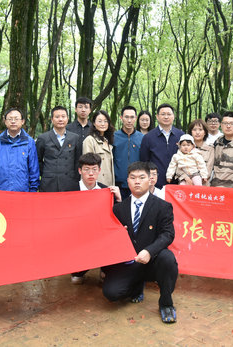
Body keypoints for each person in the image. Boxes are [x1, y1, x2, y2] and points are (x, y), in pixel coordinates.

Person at [102, 162, 178, 324]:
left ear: (150, 180)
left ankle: (166, 303)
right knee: (111, 293)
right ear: (127, 181)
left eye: (142, 177)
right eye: (133, 177)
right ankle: (136, 286)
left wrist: (150, 251)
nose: (137, 181)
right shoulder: (118, 209)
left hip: (152, 261)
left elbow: (168, 234)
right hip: (129, 263)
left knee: (168, 258)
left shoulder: (163, 206)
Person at [70, 153, 122, 284]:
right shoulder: (70, 190)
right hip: (78, 235)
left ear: (99, 170)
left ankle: (105, 268)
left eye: (94, 169)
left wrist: (119, 199)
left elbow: (118, 217)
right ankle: (78, 270)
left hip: (100, 234)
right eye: (86, 169)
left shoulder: (106, 191)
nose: (90, 173)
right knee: (76, 279)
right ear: (80, 170)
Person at [0, 108, 40, 192]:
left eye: (16, 119)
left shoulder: (29, 142)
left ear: (22, 121)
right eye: (10, 119)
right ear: (5, 121)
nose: (13, 121)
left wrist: (33, 189)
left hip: (22, 191)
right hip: (1, 190)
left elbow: (34, 168)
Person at [36, 106, 83, 192]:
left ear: (67, 119)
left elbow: (78, 160)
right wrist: (47, 173)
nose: (60, 119)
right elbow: (37, 160)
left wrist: (75, 177)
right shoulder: (43, 138)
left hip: (70, 182)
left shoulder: (75, 138)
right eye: (57, 117)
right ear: (52, 119)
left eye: (63, 116)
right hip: (49, 182)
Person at [139, 104, 185, 189]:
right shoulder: (148, 137)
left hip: (178, 182)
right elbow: (144, 162)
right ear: (157, 116)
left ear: (173, 116)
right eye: (163, 114)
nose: (166, 117)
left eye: (169, 114)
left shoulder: (181, 136)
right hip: (156, 184)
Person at [113, 106, 144, 198]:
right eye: (126, 117)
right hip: (118, 183)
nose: (129, 120)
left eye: (132, 117)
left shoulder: (142, 138)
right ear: (121, 118)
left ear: (136, 118)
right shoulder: (113, 137)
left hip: (138, 183)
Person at [83, 110, 115, 186]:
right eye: (100, 121)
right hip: (96, 184)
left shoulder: (107, 141)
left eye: (105, 121)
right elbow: (87, 165)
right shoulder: (90, 140)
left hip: (109, 183)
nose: (103, 124)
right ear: (94, 123)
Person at [188, 119, 214, 184]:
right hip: (186, 184)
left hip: (204, 185)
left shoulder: (210, 150)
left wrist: (197, 180)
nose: (197, 132)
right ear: (191, 132)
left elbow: (208, 170)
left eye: (200, 130)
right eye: (194, 130)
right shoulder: (184, 148)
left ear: (205, 132)